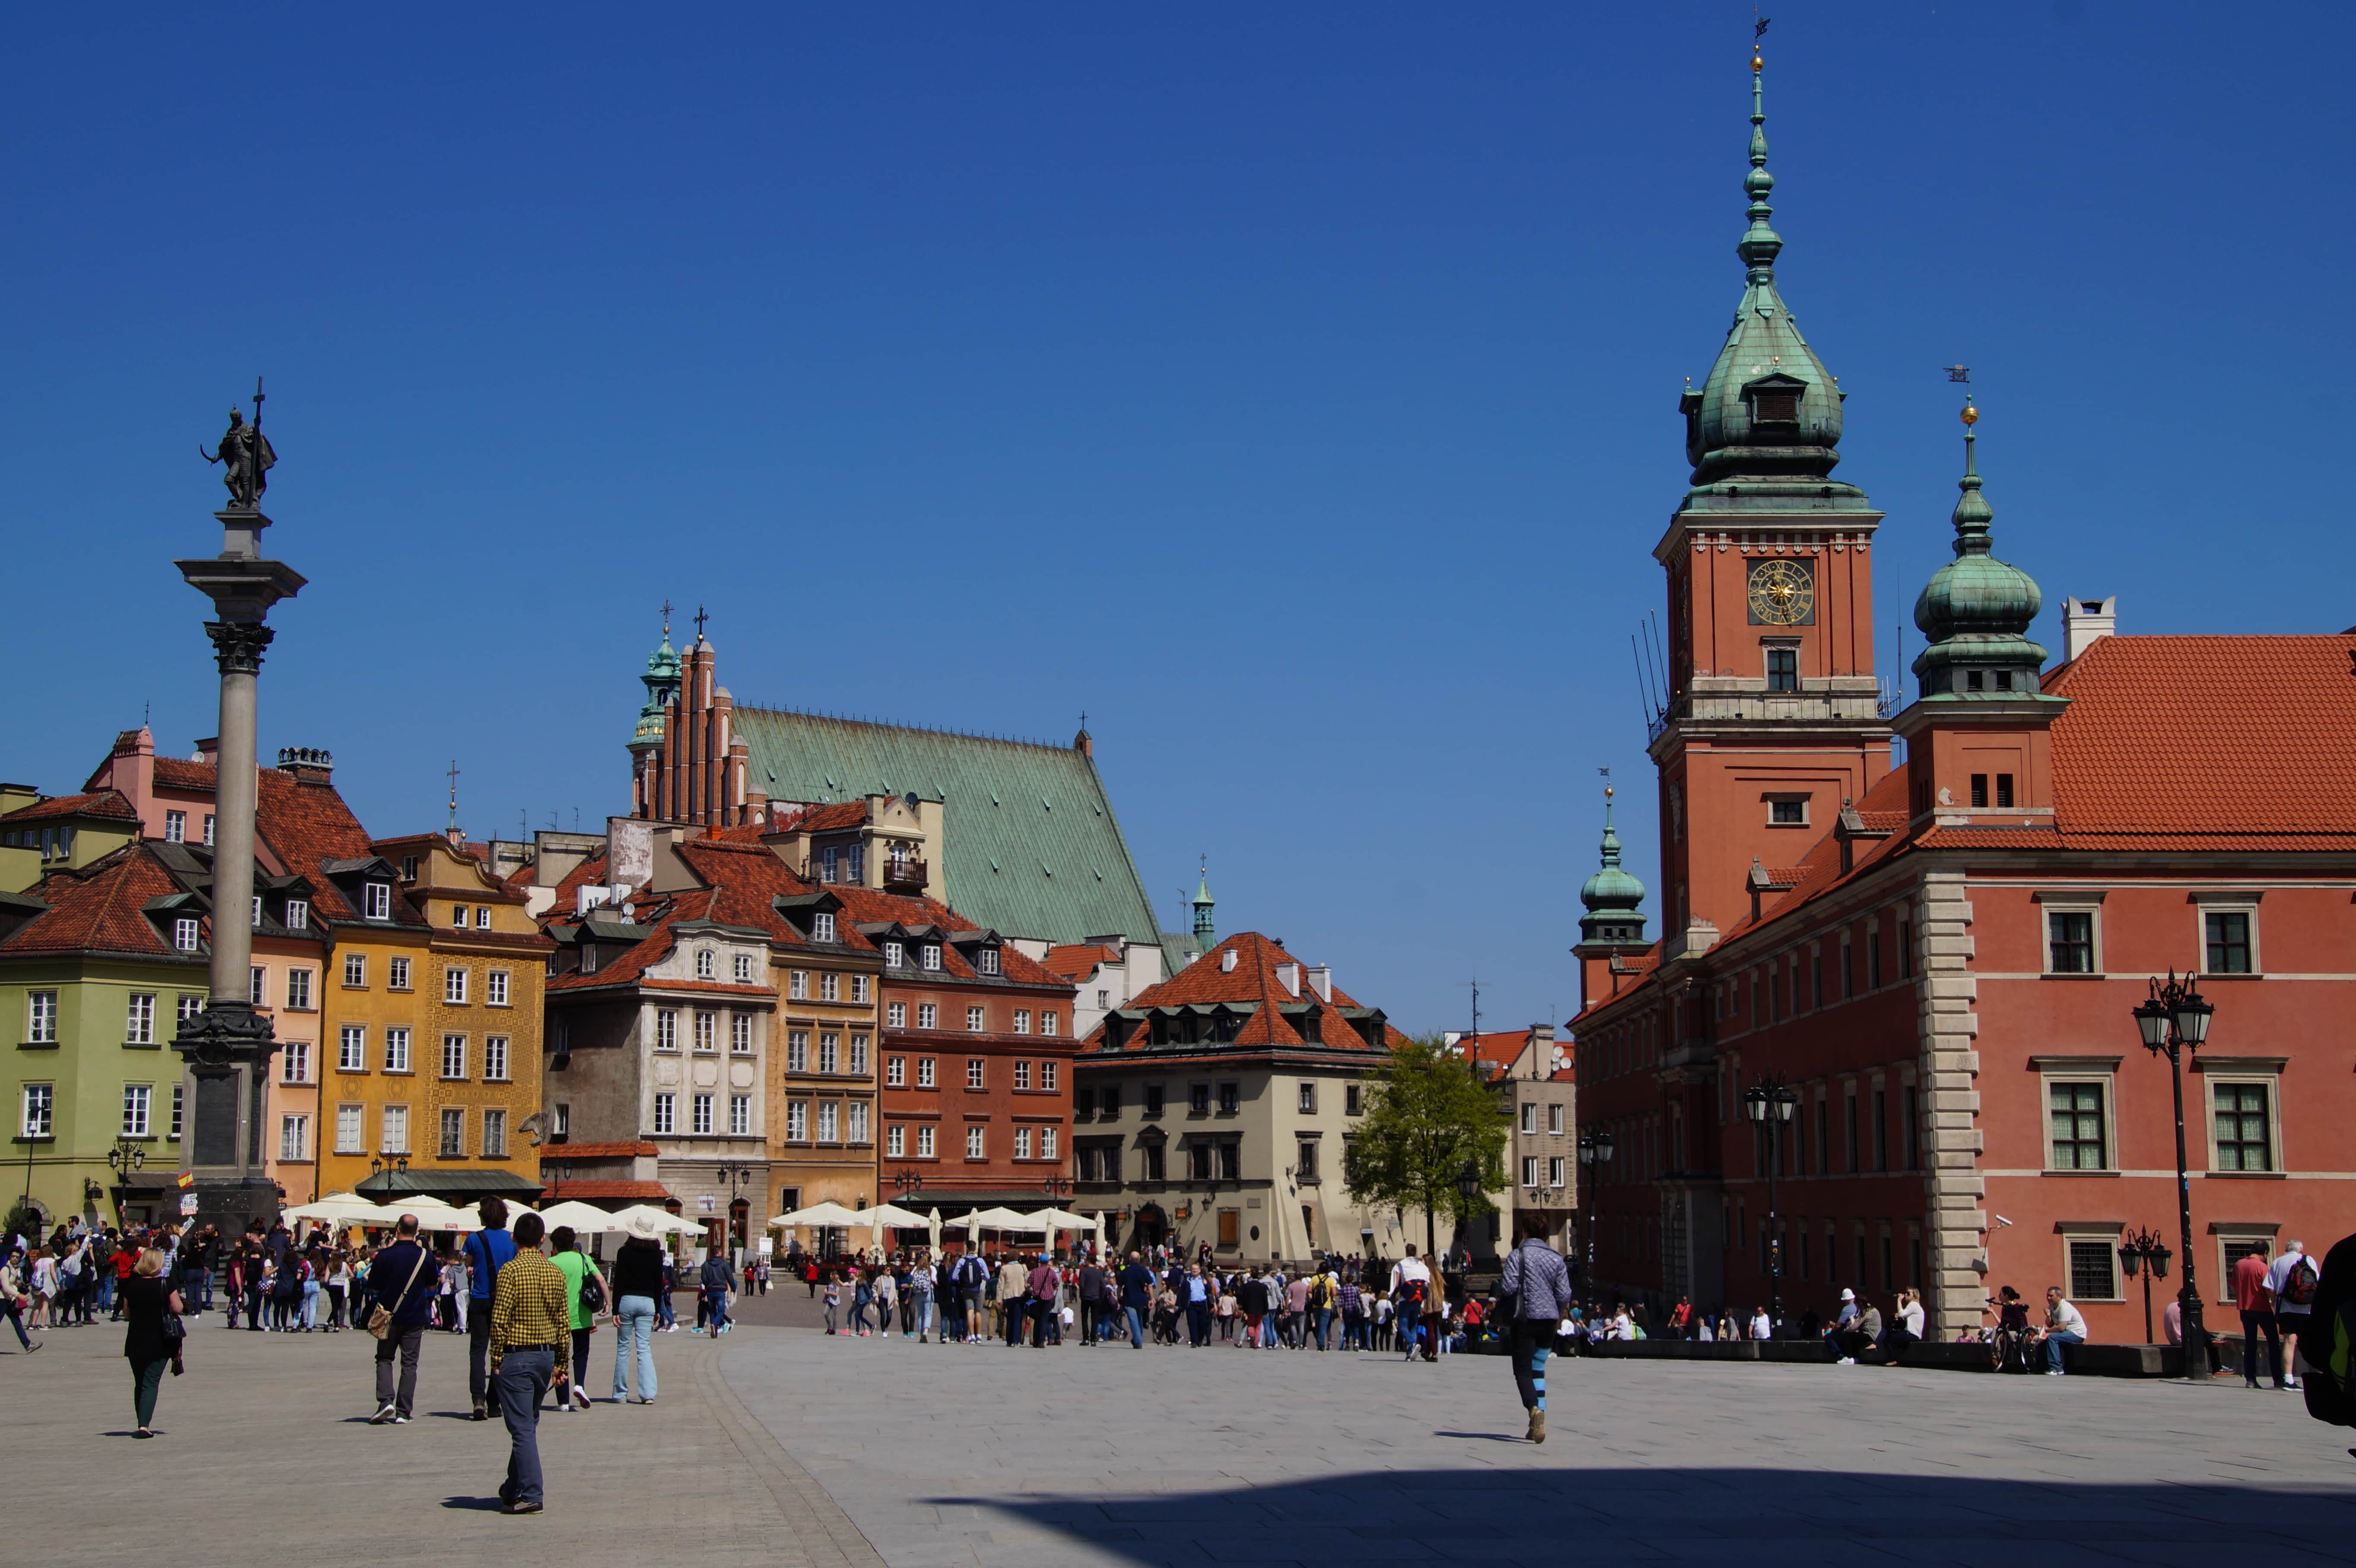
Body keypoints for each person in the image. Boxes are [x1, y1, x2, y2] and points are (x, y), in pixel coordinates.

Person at [488, 1212, 568, 1515]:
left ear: (513, 1238)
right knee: (527, 1424)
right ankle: (512, 1489)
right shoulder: (555, 1272)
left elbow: (499, 1319)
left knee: (522, 1428)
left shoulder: (510, 1272)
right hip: (545, 1357)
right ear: (543, 1240)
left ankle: (532, 1493)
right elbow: (563, 1321)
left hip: (516, 1356)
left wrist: (496, 1359)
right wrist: (562, 1363)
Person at [1499, 1220, 1573, 1442]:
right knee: (1538, 1369)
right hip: (1549, 1321)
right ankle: (1536, 1423)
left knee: (1522, 1371)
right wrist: (1556, 1312)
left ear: (1525, 1232)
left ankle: (1534, 1410)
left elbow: (1509, 1288)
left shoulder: (1517, 1256)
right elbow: (1564, 1294)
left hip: (1525, 1320)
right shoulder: (1556, 1258)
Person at [367, 1214, 441, 1424]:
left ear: (398, 1230)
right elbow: (431, 1287)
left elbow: (374, 1287)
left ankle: (385, 1402)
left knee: (384, 1359)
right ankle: (403, 1412)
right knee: (409, 1364)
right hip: (415, 1316)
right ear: (416, 1232)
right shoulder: (425, 1256)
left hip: (388, 1317)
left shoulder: (384, 1255)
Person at [121, 1248, 182, 1438]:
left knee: (140, 1383)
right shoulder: (166, 1283)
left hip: (136, 1339)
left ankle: (141, 1420)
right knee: (151, 1383)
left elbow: (127, 1314)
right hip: (160, 1339)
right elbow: (178, 1308)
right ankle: (144, 1426)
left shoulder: (131, 1286)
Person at [548, 1225, 606, 1412]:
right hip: (581, 1316)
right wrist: (609, 1303)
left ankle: (563, 1402)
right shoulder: (584, 1258)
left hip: (557, 1318)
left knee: (560, 1357)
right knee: (581, 1354)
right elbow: (601, 1281)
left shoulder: (552, 1262)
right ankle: (579, 1385)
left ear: (555, 1245)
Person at [2267, 1240, 2319, 1392]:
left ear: (2285, 1249)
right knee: (2312, 1341)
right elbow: (2317, 1282)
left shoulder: (2277, 1262)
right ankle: (2317, 1375)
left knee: (2289, 1343)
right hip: (2307, 1308)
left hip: (2286, 1308)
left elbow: (2269, 1287)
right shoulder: (2308, 1260)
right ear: (2301, 1249)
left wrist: (2275, 1302)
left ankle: (2288, 1379)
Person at [2232, 1243, 2283, 1390]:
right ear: (2266, 1253)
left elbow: (2233, 1287)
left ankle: (2251, 1379)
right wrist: (2275, 1304)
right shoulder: (2262, 1267)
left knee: (2250, 1343)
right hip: (2262, 1308)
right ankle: (2278, 1379)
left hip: (2244, 1308)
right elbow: (2269, 1288)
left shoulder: (2238, 1265)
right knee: (2274, 1343)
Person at [1390, 1246, 1432, 1362]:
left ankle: (1412, 1343)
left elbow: (1397, 1283)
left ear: (1406, 1252)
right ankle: (1410, 1354)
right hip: (1418, 1299)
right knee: (1413, 1325)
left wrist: (1394, 1295)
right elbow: (1427, 1282)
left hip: (1406, 1299)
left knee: (1402, 1325)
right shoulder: (1422, 1266)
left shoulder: (1402, 1264)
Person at [2040, 1284, 2089, 1375]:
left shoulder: (2065, 1307)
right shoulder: (2052, 1307)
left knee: (2052, 1338)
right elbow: (2050, 1324)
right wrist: (2048, 1315)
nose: (2048, 1298)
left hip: (2077, 1333)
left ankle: (2057, 1368)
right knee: (2046, 1339)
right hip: (2066, 1332)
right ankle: (2043, 1366)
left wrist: (2046, 1331)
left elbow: (2061, 1328)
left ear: (2059, 1297)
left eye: (2051, 1296)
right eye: (2048, 1296)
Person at [1116, 1250, 1153, 1349]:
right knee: (1140, 1321)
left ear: (1130, 1260)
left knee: (1134, 1321)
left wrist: (1118, 1296)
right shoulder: (1144, 1271)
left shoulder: (1126, 1271)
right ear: (1139, 1260)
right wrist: (1151, 1298)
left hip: (1129, 1300)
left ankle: (1137, 1342)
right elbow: (1150, 1285)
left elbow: (1119, 1286)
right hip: (1141, 1300)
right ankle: (1137, 1339)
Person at [700, 1249, 737, 1338]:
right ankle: (714, 1324)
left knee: (712, 1311)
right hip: (720, 1290)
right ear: (719, 1252)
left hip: (710, 1290)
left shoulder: (706, 1264)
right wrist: (734, 1287)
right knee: (721, 1310)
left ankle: (715, 1333)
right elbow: (730, 1277)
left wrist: (708, 1285)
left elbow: (703, 1277)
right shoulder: (724, 1264)